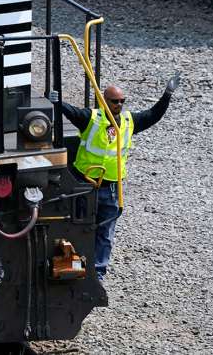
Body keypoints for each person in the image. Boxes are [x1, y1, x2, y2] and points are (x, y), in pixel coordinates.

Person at [61, 72, 181, 283]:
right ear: (103, 100)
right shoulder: (91, 118)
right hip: (85, 184)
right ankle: (76, 267)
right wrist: (55, 101)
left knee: (105, 233)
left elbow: (153, 115)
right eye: (115, 101)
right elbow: (70, 111)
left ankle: (97, 274)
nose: (119, 105)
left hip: (111, 188)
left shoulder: (128, 121)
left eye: (122, 101)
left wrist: (167, 94)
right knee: (78, 228)